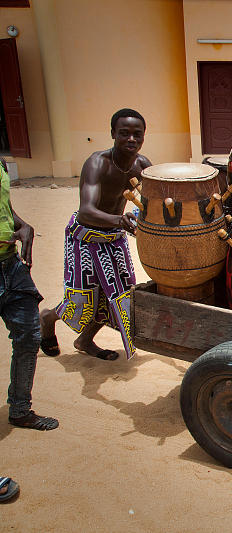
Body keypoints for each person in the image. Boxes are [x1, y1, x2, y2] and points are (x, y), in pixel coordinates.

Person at [39, 109, 151, 361]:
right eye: (124, 134)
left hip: (113, 237)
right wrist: (119, 220)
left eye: (137, 134)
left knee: (118, 295)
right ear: (113, 134)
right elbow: (86, 211)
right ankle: (47, 318)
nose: (131, 139)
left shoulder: (142, 165)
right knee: (83, 298)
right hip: (84, 237)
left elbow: (154, 198)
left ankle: (84, 340)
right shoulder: (97, 163)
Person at [0, 157, 58, 431]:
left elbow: (5, 209)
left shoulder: (0, 164)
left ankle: (20, 409)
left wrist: (21, 225)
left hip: (10, 265)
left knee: (28, 337)